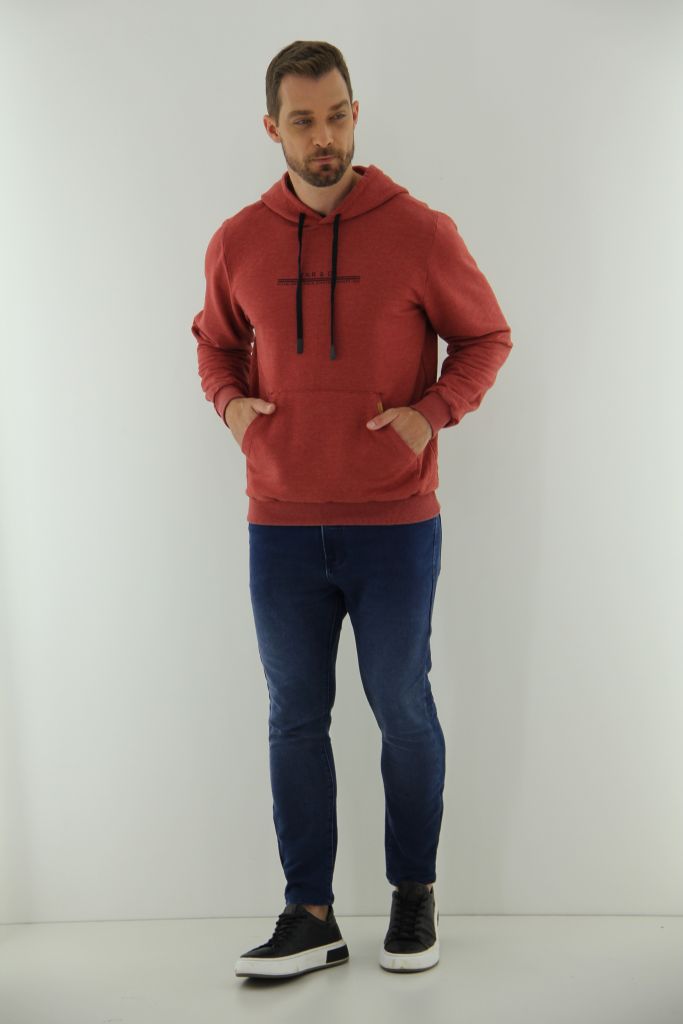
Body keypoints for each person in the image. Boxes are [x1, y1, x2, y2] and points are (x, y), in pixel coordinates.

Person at [190, 39, 513, 980]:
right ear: (272, 128)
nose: (323, 136)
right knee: (294, 718)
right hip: (280, 523)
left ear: (355, 112)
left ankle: (414, 894)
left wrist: (430, 414)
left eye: (336, 115)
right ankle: (310, 914)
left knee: (402, 708)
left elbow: (486, 336)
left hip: (394, 524)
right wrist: (231, 405)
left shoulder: (418, 231)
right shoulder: (237, 240)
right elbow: (213, 344)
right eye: (303, 121)